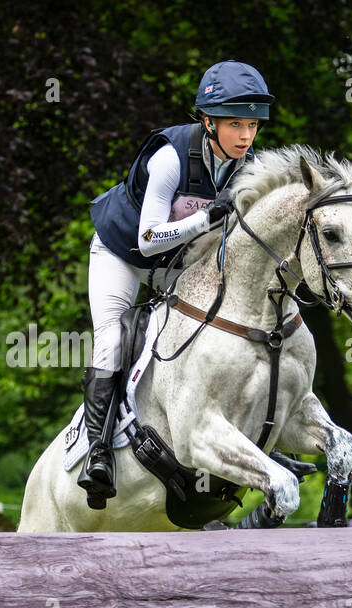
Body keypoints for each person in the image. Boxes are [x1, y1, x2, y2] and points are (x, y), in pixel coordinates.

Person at [77, 60, 274, 509]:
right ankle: (99, 453)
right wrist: (206, 218)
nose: (246, 136)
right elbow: (147, 240)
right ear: (208, 122)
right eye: (235, 124)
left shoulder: (247, 168)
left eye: (252, 126)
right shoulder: (170, 157)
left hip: (176, 263)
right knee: (111, 340)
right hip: (122, 254)